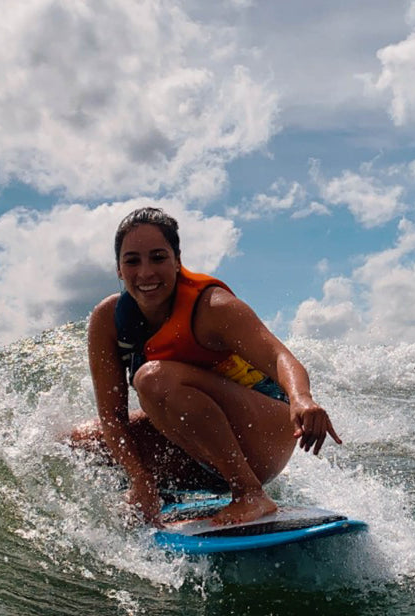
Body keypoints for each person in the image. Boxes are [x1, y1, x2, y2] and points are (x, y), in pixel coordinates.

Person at [73, 207, 341, 526]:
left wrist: (302, 399)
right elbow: (112, 417)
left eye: (158, 257)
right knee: (81, 441)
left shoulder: (212, 307)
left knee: (152, 379)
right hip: (197, 441)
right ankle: (162, 493)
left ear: (177, 260)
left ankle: (250, 495)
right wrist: (140, 480)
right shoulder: (109, 320)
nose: (145, 273)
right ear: (119, 269)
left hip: (264, 433)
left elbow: (280, 357)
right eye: (132, 261)